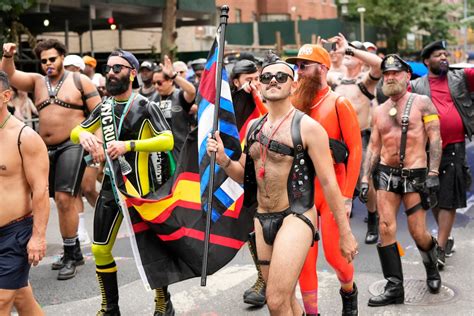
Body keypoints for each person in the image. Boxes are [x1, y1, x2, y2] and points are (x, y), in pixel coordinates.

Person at [207, 60, 358, 315]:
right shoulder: (255, 128)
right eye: (266, 77)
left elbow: (330, 182)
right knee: (283, 300)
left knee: (275, 301)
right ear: (260, 85)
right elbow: (244, 175)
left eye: (280, 76)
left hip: (296, 215)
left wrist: (345, 232)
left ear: (293, 85)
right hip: (262, 217)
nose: (273, 80)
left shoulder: (308, 128)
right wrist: (223, 159)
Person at [70, 49, 174, 315]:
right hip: (111, 187)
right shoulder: (104, 107)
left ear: (132, 73)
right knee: (100, 248)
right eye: (109, 68)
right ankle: (110, 307)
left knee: (151, 249)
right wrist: (84, 137)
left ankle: (164, 303)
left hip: (142, 190)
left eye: (118, 68)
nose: (111, 73)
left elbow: (167, 139)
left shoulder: (145, 105)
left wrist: (130, 145)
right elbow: (76, 130)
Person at [2, 39, 102, 280]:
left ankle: (71, 253)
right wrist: (7, 56)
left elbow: (99, 113)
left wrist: (98, 144)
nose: (48, 64)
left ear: (62, 58)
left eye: (52, 59)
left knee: (64, 197)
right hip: (45, 148)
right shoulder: (37, 82)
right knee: (51, 199)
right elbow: (8, 76)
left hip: (74, 144)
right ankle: (73, 251)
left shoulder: (80, 80)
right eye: (44, 60)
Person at [287, 43, 362, 316]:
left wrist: (347, 196)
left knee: (336, 257)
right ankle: (312, 313)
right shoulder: (294, 104)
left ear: (322, 68)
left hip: (332, 191)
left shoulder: (339, 103)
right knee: (304, 262)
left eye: (304, 66)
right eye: (297, 66)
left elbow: (355, 150)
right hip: (302, 191)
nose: (299, 71)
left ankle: (349, 293)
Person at [362, 54, 442, 306]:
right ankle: (394, 287)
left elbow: (436, 138)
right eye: (386, 74)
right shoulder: (380, 110)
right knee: (386, 228)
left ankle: (432, 266)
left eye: (396, 73)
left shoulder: (423, 102)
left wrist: (433, 173)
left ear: (407, 76)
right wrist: (366, 178)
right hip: (386, 174)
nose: (390, 77)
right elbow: (373, 147)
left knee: (419, 233)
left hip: (416, 175)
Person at [410, 40, 474, 269]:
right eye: (438, 55)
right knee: (434, 194)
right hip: (426, 148)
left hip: (454, 146)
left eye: (445, 54)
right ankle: (445, 239)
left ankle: (440, 246)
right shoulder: (416, 86)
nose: (444, 57)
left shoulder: (460, 79)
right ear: (427, 61)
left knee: (449, 197)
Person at [0, 71, 50, 315]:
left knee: (1, 300)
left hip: (14, 233)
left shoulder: (25, 137)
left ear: (5, 96)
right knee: (23, 299)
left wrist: (38, 237)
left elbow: (40, 191)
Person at [330, 35, 383, 245]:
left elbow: (379, 64)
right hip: (338, 138)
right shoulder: (336, 79)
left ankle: (372, 220)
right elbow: (316, 74)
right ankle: (341, 226)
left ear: (360, 59)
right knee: (338, 181)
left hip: (362, 138)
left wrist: (350, 49)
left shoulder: (365, 81)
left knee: (366, 181)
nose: (347, 54)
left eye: (353, 53)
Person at [151, 55, 196, 158]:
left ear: (170, 81)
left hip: (181, 154)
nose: (156, 86)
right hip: (159, 157)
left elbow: (192, 91)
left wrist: (173, 75)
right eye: (154, 83)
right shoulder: (152, 100)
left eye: (159, 83)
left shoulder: (180, 96)